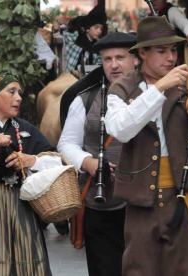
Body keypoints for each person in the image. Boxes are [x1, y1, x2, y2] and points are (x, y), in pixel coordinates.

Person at [105, 16, 188, 276]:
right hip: (140, 200)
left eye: (173, 50)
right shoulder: (122, 88)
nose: (171, 57)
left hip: (183, 196)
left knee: (186, 270)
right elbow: (120, 130)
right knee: (138, 270)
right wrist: (159, 87)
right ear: (142, 53)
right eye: (162, 51)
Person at [57, 32, 138, 276]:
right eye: (107, 59)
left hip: (143, 205)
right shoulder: (85, 98)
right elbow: (67, 142)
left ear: (136, 59)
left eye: (121, 57)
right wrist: (88, 162)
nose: (114, 64)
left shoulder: (150, 95)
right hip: (99, 203)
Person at [0, 72, 62, 275]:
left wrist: (31, 160)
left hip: (21, 207)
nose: (18, 97)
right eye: (11, 91)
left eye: (19, 92)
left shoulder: (25, 130)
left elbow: (58, 161)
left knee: (25, 263)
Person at [64, 4, 106, 72]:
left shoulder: (99, 47)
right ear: (87, 29)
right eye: (96, 28)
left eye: (101, 29)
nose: (99, 31)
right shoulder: (76, 39)